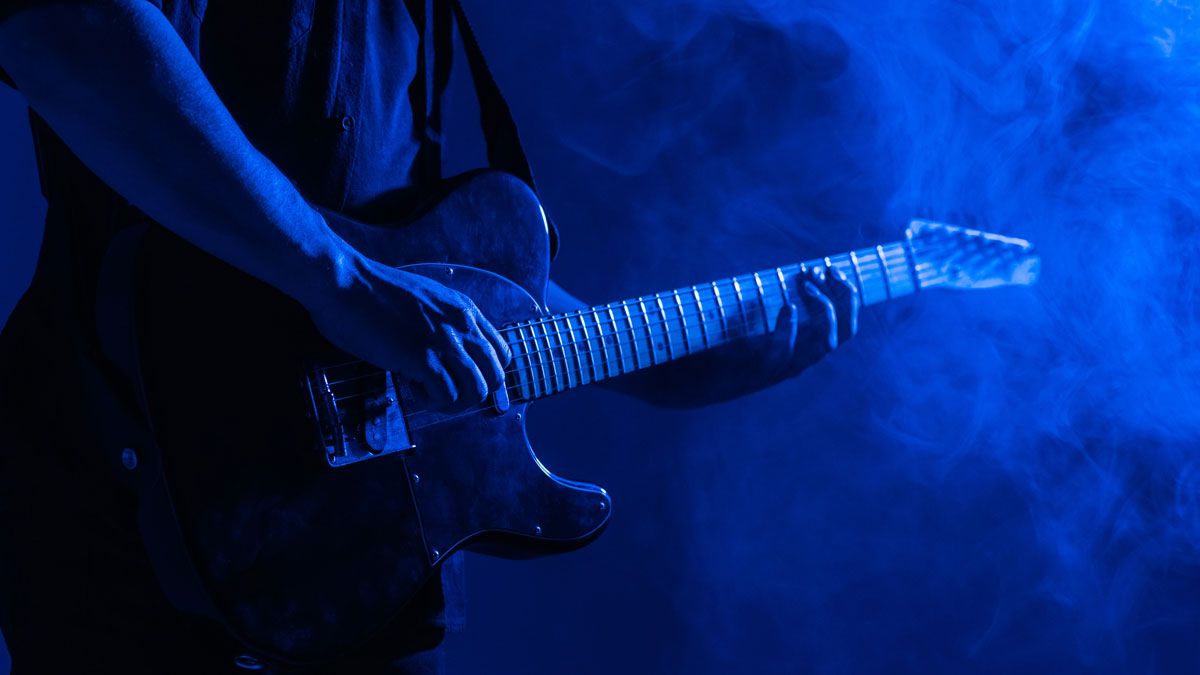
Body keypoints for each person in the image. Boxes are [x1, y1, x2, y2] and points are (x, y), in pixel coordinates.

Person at [0, 1, 859, 672]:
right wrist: (341, 279)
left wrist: (697, 355)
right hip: (132, 515)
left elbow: (440, 276)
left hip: (371, 576)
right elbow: (66, 32)